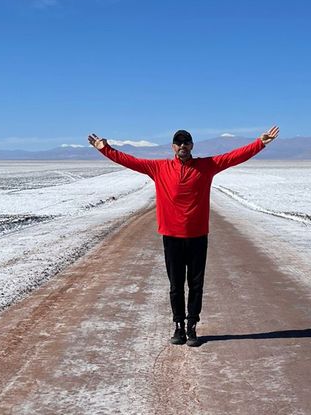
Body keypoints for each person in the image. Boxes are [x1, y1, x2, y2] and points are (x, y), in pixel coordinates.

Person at [87, 125, 279, 346]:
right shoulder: (159, 168)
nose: (182, 146)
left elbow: (234, 157)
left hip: (198, 237)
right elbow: (130, 160)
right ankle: (178, 326)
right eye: (178, 143)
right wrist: (105, 149)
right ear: (173, 147)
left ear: (192, 146)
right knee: (176, 285)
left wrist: (260, 143)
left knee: (196, 285)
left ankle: (192, 326)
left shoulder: (207, 166)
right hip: (172, 237)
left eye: (186, 142)